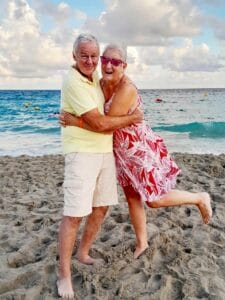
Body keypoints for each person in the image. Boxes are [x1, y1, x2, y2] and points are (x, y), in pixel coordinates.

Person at [60, 43, 212, 263]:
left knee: (154, 199)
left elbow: (106, 124)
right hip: (118, 151)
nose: (109, 65)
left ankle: (199, 197)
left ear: (125, 65)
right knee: (132, 197)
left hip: (136, 148)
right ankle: (142, 242)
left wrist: (76, 120)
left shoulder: (126, 88)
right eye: (106, 60)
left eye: (116, 62)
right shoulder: (99, 82)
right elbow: (94, 112)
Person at [57, 35, 143, 299]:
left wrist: (77, 120)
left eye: (95, 56)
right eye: (84, 55)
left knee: (101, 206)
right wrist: (133, 118)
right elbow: (99, 123)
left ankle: (83, 253)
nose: (91, 61)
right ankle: (64, 276)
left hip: (104, 152)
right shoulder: (73, 80)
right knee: (73, 215)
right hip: (81, 153)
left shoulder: (94, 77)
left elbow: (113, 97)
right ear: (74, 56)